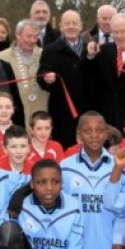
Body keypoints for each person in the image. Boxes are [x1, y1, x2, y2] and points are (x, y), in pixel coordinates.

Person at [59, 112, 125, 249]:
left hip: (105, 244)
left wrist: (119, 238)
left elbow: (123, 210)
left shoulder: (119, 165)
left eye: (99, 130)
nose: (94, 135)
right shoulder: (65, 167)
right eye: (88, 131)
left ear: (105, 133)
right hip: (75, 245)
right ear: (79, 134)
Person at [37, 9, 95, 147]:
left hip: (87, 108)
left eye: (75, 23)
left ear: (81, 26)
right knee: (64, 146)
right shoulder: (50, 50)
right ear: (61, 27)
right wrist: (46, 79)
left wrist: (91, 58)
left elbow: (97, 77)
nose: (71, 26)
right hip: (62, 111)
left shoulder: (90, 49)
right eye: (67, 23)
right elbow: (41, 74)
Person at [0, 19, 48, 126]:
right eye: (29, 36)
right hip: (14, 120)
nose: (32, 40)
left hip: (41, 122)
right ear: (18, 35)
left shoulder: (47, 55)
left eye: (35, 37)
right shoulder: (0, 58)